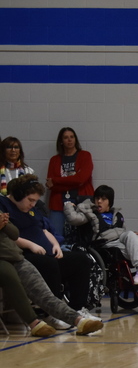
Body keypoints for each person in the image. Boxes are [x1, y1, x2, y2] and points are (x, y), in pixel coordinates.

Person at [0, 174, 96, 313]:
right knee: (49, 264)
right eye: (30, 200)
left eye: (35, 201)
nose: (33, 204)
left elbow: (44, 230)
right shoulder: (3, 206)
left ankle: (77, 309)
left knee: (81, 260)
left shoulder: (30, 209)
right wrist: (30, 245)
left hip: (45, 251)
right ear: (18, 195)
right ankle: (56, 312)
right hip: (22, 254)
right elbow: (7, 235)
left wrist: (56, 245)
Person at [0, 210, 104, 336]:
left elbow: (14, 234)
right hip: (2, 260)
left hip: (16, 257)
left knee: (43, 292)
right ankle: (34, 323)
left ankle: (78, 320)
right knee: (12, 280)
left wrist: (5, 224)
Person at [64, 185, 138, 293]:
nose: (99, 201)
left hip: (121, 240)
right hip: (105, 243)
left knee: (132, 235)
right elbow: (73, 219)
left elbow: (123, 231)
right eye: (97, 198)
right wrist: (69, 206)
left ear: (110, 201)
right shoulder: (91, 214)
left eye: (103, 199)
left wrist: (133, 235)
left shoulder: (117, 215)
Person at [46, 127, 95, 235]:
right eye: (66, 137)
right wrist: (73, 181)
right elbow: (51, 185)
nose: (69, 140)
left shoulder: (85, 156)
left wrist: (56, 180)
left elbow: (81, 179)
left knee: (83, 236)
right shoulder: (54, 160)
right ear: (61, 141)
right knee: (56, 235)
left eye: (72, 137)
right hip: (58, 202)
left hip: (82, 201)